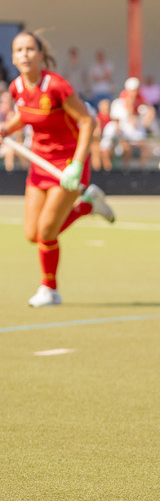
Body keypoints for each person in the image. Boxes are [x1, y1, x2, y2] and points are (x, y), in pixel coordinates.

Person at [2, 31, 114, 307]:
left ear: (41, 54)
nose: (24, 55)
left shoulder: (57, 86)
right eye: (19, 50)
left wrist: (77, 165)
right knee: (32, 234)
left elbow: (87, 122)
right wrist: (6, 128)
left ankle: (49, 289)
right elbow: (25, 116)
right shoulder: (17, 87)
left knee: (46, 231)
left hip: (67, 165)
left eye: (30, 49)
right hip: (40, 165)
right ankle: (87, 205)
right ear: (13, 57)